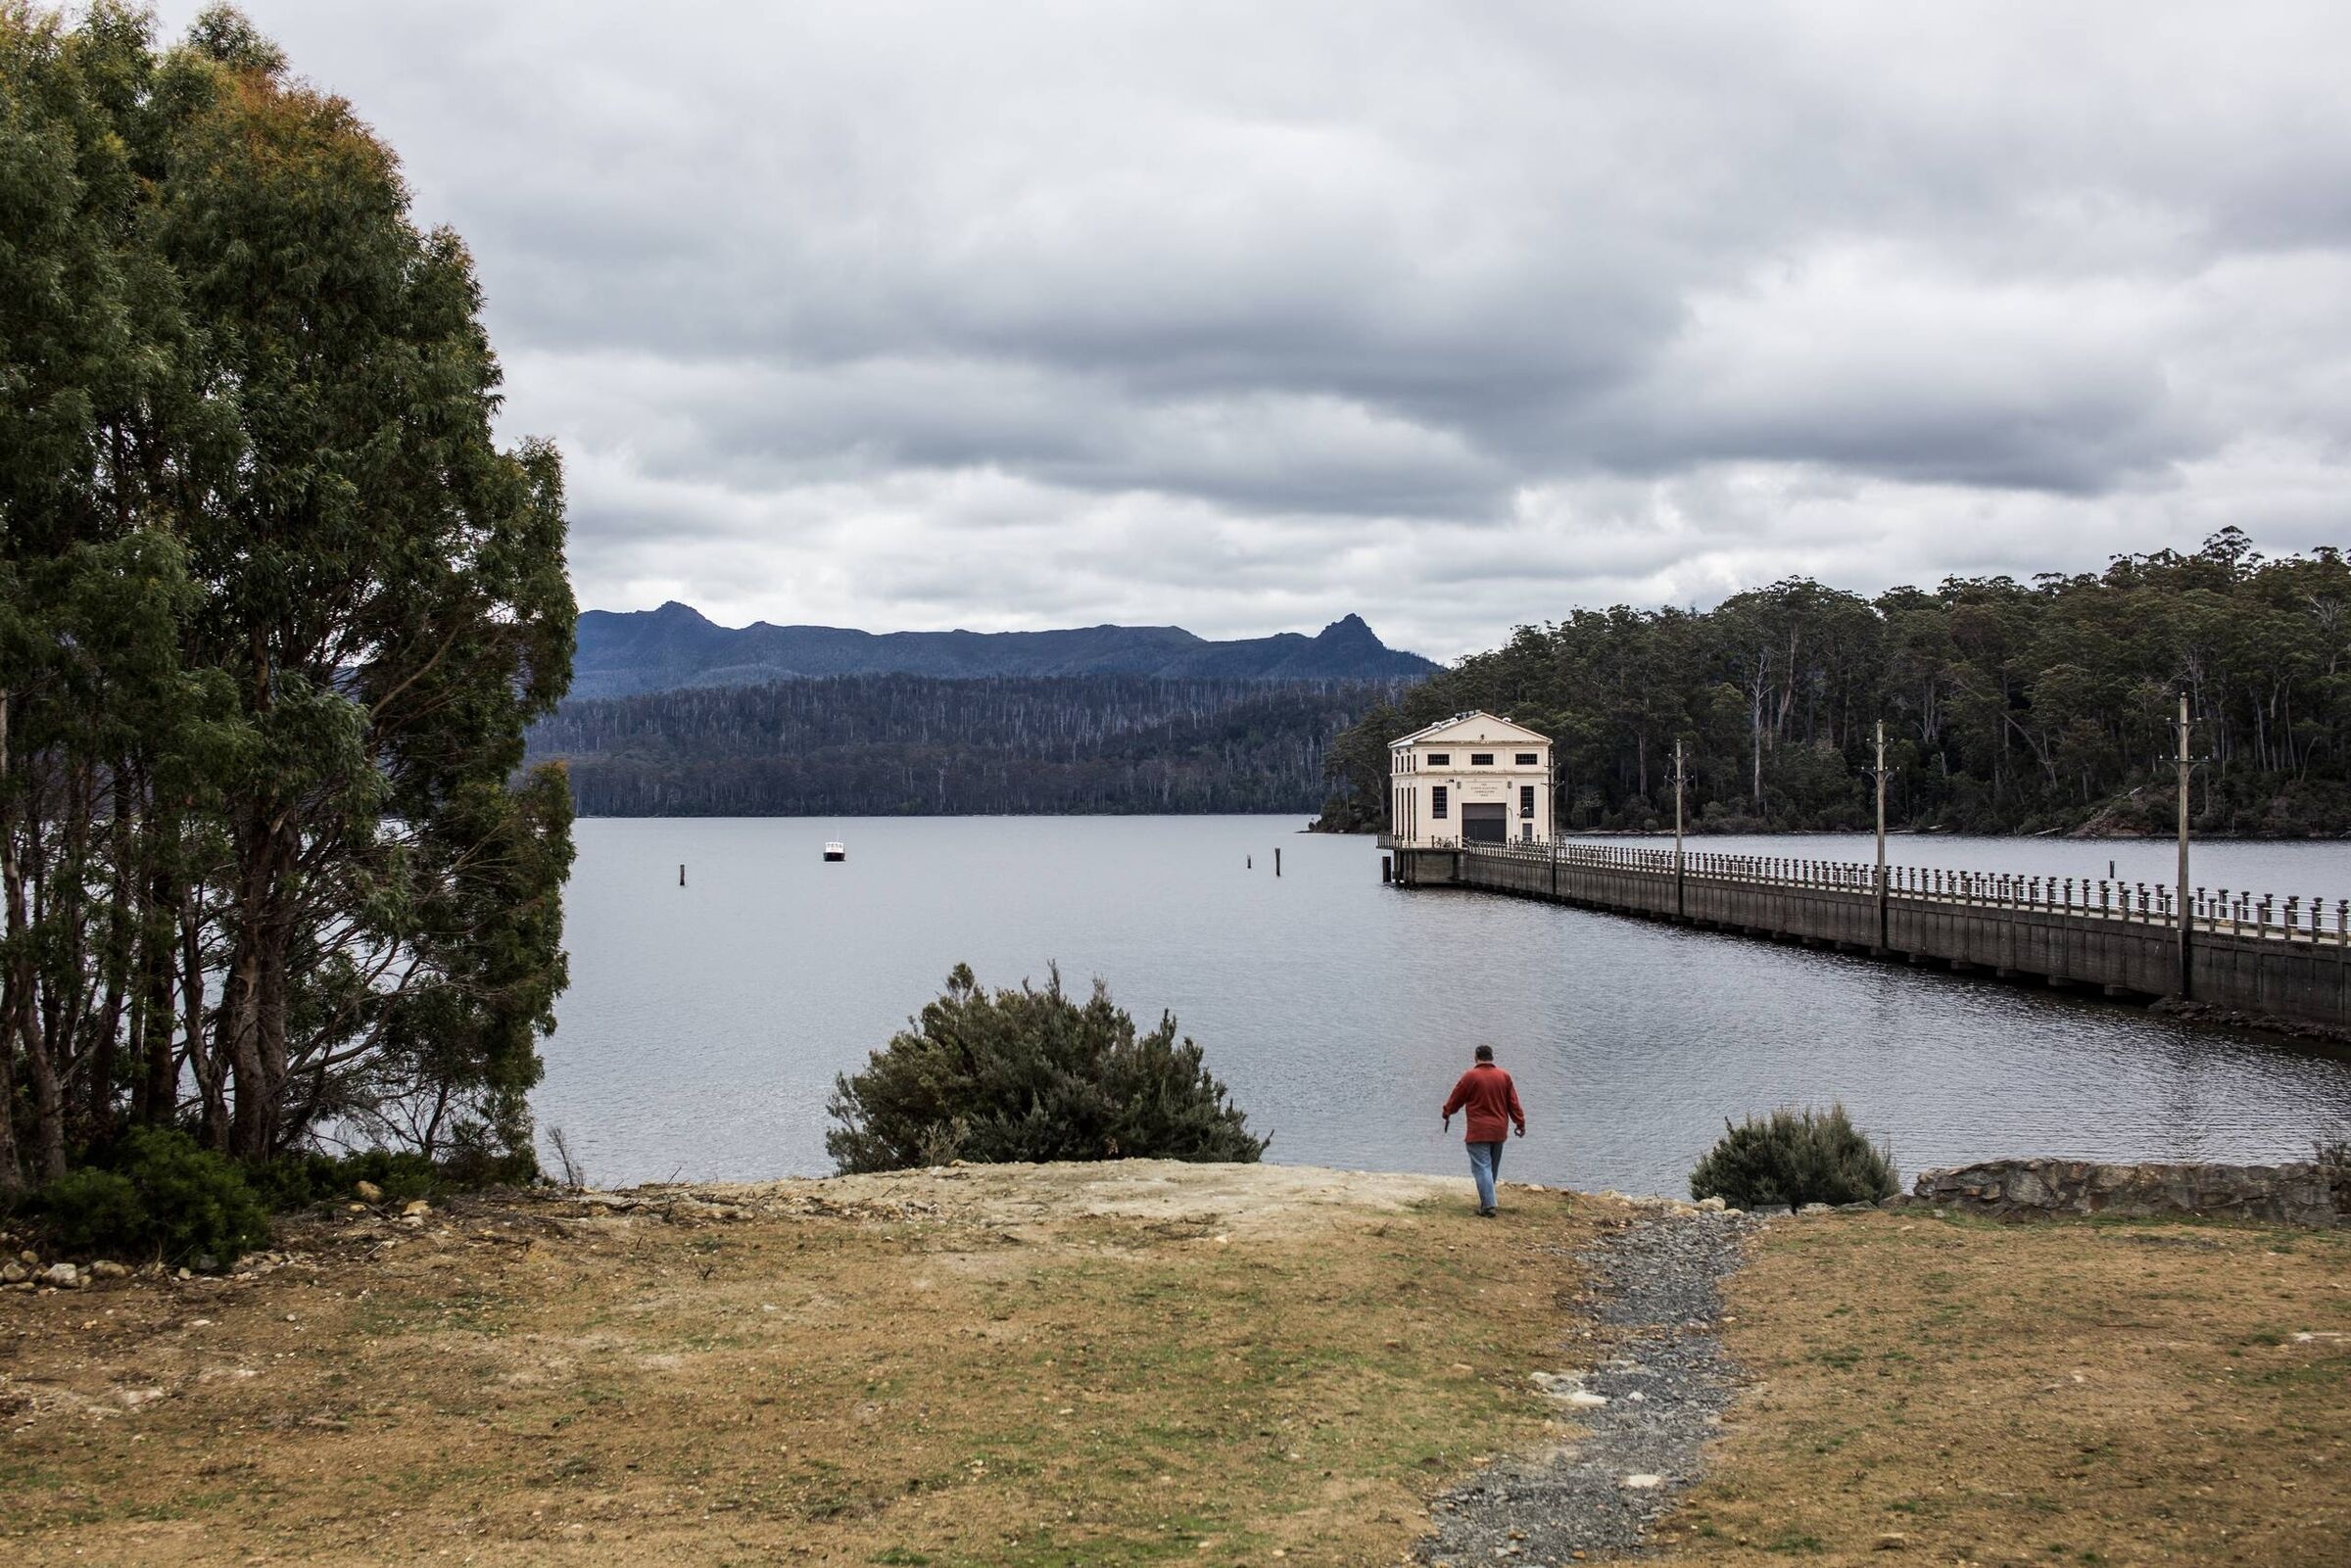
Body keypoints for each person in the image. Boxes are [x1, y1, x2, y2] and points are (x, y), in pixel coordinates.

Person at [1441, 1044, 1526, 1216]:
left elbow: (1456, 1097)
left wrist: (1447, 1111)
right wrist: (1520, 1122)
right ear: (1492, 1057)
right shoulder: (1504, 1076)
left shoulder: (1470, 1076)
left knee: (1482, 1168)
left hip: (1478, 1131)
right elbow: (1513, 1103)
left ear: (1476, 1057)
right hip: (1499, 1131)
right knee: (1491, 1168)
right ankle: (1487, 1201)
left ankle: (1488, 1206)